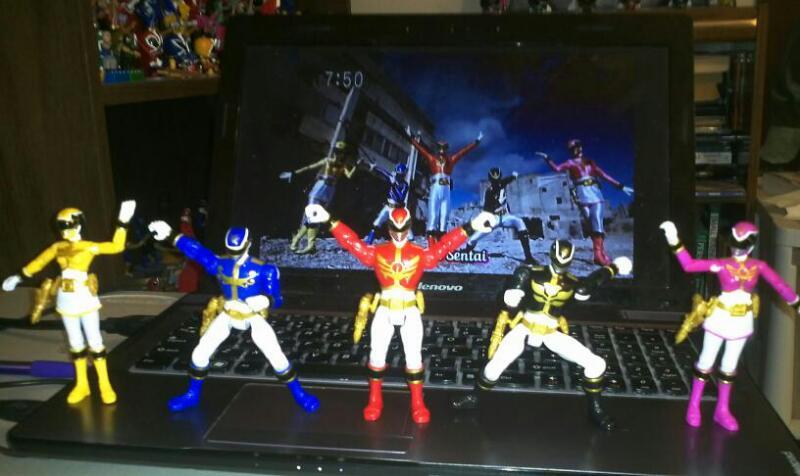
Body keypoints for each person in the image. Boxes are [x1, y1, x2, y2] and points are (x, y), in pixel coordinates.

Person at [305, 203, 496, 424]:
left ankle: (417, 403)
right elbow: (353, 243)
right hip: (384, 308)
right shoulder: (378, 252)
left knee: (414, 358)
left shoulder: (419, 254)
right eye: (394, 229)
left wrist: (472, 226)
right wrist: (328, 219)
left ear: (409, 227)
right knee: (377, 356)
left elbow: (444, 246)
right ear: (388, 227)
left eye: (403, 229)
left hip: (409, 309)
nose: (398, 234)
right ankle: (375, 400)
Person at [452, 239, 632, 431]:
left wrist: (613, 268)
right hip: (525, 327)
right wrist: (512, 293)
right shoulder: (532, 273)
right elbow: (512, 295)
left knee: (596, 364)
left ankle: (595, 409)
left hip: (550, 332)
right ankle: (474, 397)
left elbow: (593, 282)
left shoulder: (573, 284)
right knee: (493, 367)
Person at [148, 220, 319, 413]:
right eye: (231, 251)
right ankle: (192, 394)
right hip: (227, 314)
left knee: (276, 356)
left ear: (248, 244)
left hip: (252, 315)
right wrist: (171, 235)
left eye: (238, 250)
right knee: (200, 353)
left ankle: (300, 394)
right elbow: (198, 252)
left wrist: (267, 300)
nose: (235, 255)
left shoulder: (265, 270)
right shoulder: (221, 264)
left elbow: (278, 298)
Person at [661, 220, 799, 431]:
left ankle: (722, 409)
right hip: (720, 317)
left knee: (729, 365)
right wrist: (674, 239)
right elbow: (690, 265)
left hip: (741, 320)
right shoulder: (722, 264)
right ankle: (694, 405)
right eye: (734, 244)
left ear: (751, 246)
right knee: (706, 360)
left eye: (741, 246)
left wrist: (796, 303)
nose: (737, 249)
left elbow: (779, 285)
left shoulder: (758, 266)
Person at [3, 201, 137, 405]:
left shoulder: (88, 246)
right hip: (65, 299)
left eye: (70, 225)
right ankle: (82, 384)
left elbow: (116, 246)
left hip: (85, 297)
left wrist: (123, 222)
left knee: (95, 342)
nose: (66, 230)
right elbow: (38, 262)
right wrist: (19, 277)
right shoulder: (57, 247)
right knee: (75, 343)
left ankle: (104, 384)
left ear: (79, 225)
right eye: (62, 226)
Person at [539, 139, 633, 265]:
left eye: (579, 146)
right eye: (574, 148)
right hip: (581, 195)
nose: (578, 149)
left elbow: (603, 174)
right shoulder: (570, 163)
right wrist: (548, 159)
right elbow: (557, 168)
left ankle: (599, 255)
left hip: (595, 193)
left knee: (597, 223)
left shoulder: (590, 163)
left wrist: (620, 186)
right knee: (591, 224)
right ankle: (600, 254)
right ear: (571, 151)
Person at [407, 127, 482, 247]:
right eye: (440, 148)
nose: (441, 150)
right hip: (436, 187)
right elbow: (420, 149)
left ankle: (441, 244)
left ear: (446, 149)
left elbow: (463, 152)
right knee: (433, 215)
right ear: (437, 149)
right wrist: (411, 137)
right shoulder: (432, 158)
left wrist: (476, 142)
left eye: (444, 148)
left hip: (446, 189)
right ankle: (431, 244)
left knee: (444, 217)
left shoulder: (451, 160)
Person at [280, 141, 359, 254]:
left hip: (330, 190)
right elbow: (309, 167)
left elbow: (349, 176)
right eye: (337, 151)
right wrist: (294, 173)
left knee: (316, 217)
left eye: (341, 152)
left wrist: (356, 166)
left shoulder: (342, 165)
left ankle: (303, 243)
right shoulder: (327, 161)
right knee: (312, 215)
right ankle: (303, 242)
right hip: (320, 187)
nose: (338, 154)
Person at [465, 167, 535, 263]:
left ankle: (528, 257)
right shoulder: (489, 192)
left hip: (506, 216)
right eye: (494, 181)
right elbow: (486, 209)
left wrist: (514, 176)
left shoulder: (502, 183)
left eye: (498, 180)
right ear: (491, 181)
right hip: (493, 219)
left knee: (519, 222)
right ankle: (467, 251)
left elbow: (509, 179)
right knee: (473, 239)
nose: (497, 183)